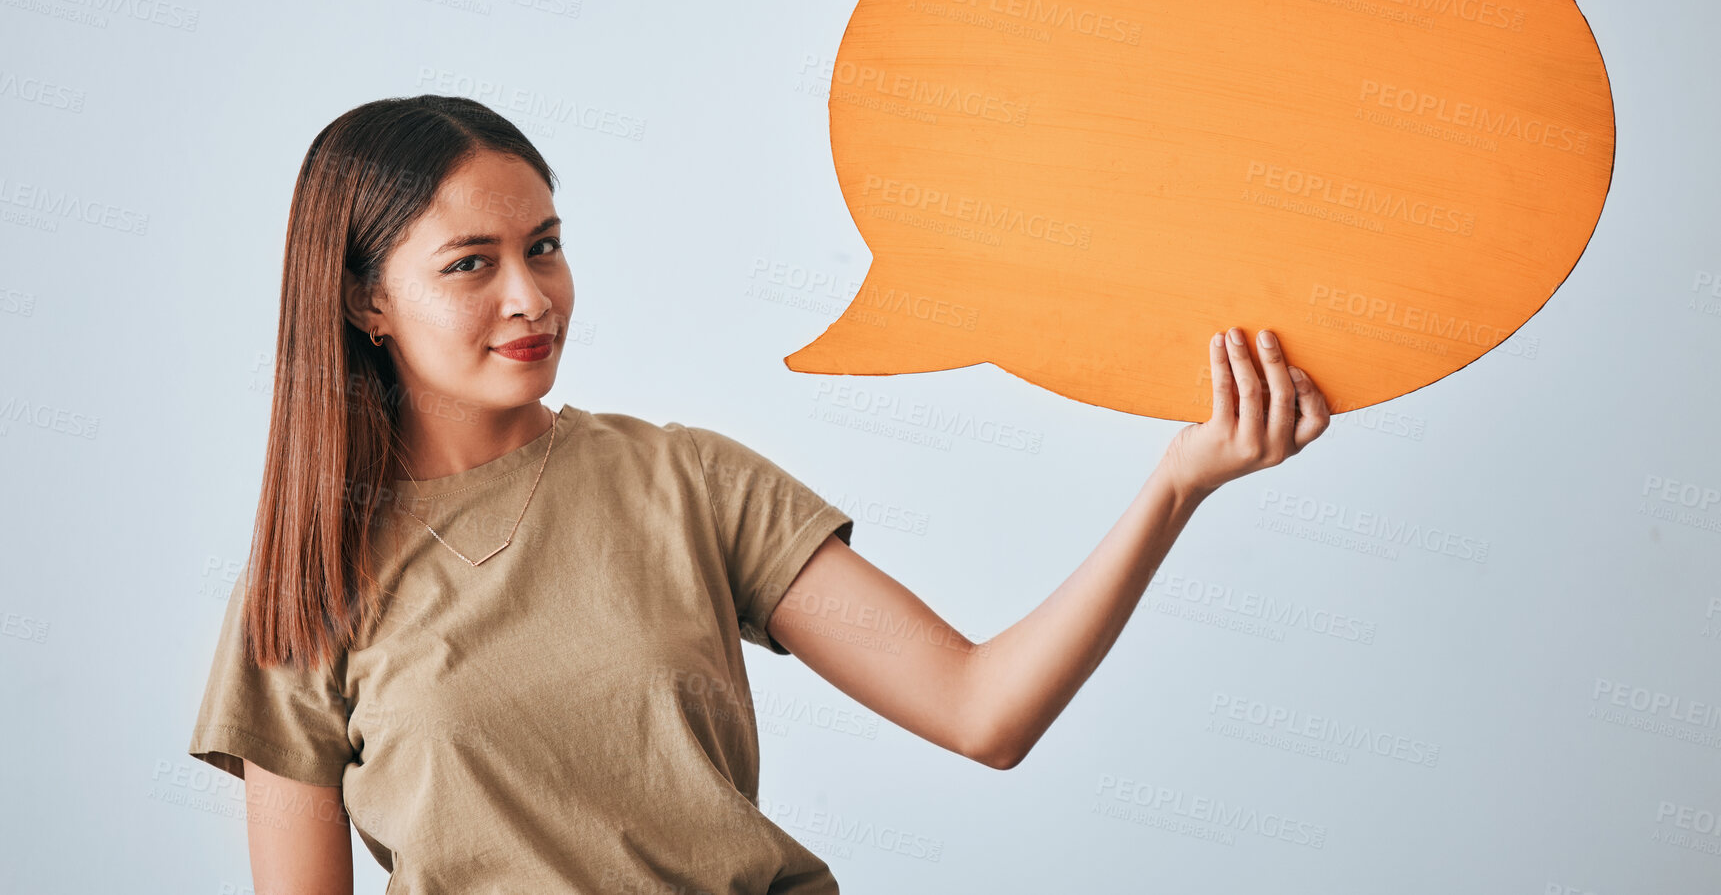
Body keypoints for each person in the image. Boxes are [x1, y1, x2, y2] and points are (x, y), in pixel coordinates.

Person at [188, 94, 1331, 894]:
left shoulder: (685, 482)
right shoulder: (306, 579)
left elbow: (983, 711)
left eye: (544, 245)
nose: (532, 296)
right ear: (364, 302)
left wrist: (1176, 485)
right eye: (470, 263)